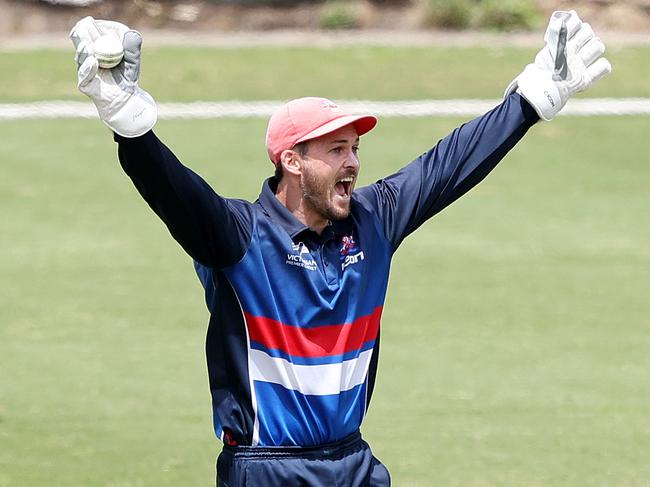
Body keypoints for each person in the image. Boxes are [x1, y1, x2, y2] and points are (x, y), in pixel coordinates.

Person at [70, 11, 610, 486]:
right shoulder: (237, 235)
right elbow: (174, 193)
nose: (353, 162)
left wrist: (531, 99)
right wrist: (130, 127)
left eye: (354, 148)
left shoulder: (374, 220)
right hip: (265, 469)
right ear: (292, 160)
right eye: (336, 149)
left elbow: (448, 165)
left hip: (352, 465)